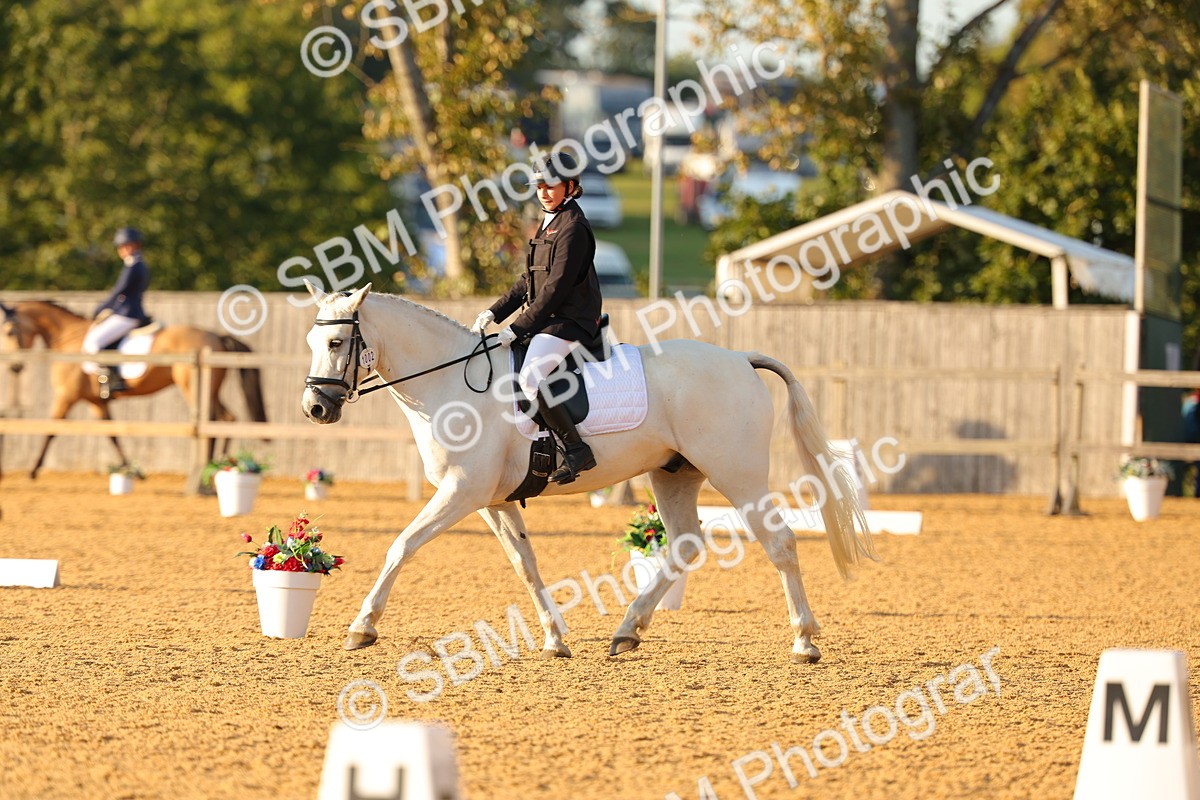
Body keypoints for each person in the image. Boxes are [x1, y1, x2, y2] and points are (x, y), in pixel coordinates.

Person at [472, 152, 603, 484]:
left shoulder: (573, 227)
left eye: (551, 186)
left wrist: (517, 328)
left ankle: (577, 450)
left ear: (570, 186)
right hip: (548, 319)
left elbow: (556, 289)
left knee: (530, 378)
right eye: (539, 186)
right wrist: (494, 311)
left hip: (570, 320)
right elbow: (528, 281)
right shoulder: (549, 222)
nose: (544, 192)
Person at [85, 227, 151, 399]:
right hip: (127, 312)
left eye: (126, 246)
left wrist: (101, 308)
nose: (122, 250)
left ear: (135, 245)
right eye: (120, 246)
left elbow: (119, 291)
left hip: (127, 314)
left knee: (94, 341)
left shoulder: (134, 266)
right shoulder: (137, 264)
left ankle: (112, 380)